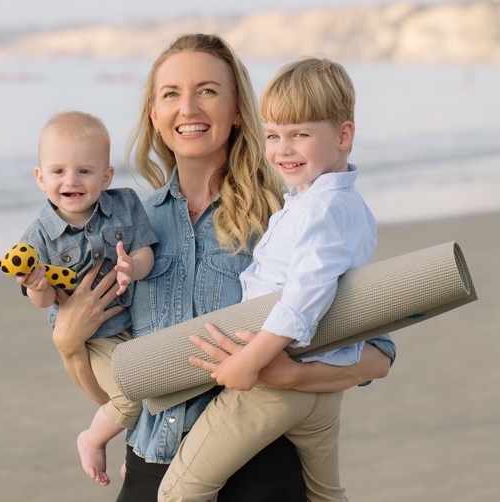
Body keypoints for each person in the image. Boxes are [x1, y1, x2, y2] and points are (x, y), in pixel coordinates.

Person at [50, 34, 396, 501]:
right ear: (155, 114)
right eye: (171, 94)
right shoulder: (125, 229)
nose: (188, 108)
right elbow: (126, 386)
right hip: (152, 464)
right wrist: (69, 346)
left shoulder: (287, 214)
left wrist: (291, 377)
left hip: (260, 466)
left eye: (207, 91)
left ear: (237, 111)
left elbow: (376, 354)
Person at [158, 56, 371, 501]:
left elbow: (305, 295)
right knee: (325, 494)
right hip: (322, 385)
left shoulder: (320, 209)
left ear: (344, 135)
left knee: (179, 492)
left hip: (274, 382)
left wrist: (251, 360)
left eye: (300, 135)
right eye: (273, 135)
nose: (282, 150)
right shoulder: (337, 204)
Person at [16, 111, 157, 487]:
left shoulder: (125, 204)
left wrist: (133, 268)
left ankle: (138, 450)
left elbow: (145, 252)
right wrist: (38, 284)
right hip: (94, 337)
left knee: (157, 390)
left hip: (137, 323)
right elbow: (42, 303)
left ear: (106, 176)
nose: (71, 181)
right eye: (58, 171)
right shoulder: (38, 237)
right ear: (40, 177)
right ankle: (92, 439)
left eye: (84, 171)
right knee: (129, 397)